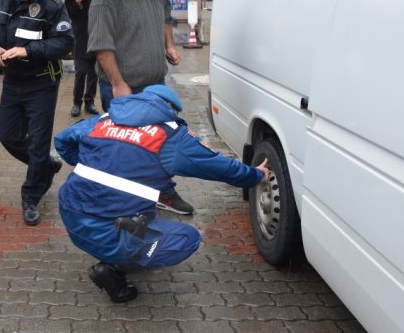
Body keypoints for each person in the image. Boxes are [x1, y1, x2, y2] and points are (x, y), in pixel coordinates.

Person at [54, 85, 269, 303]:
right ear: (168, 108)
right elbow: (219, 166)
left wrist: (91, 166)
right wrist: (255, 175)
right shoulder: (170, 135)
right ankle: (114, 268)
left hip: (70, 215)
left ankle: (119, 251)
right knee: (187, 239)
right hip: (108, 230)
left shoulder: (104, 120)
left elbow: (62, 140)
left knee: (146, 215)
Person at [87, 0, 192, 215]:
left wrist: (168, 44)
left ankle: (163, 192)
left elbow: (166, 17)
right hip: (124, 90)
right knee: (127, 151)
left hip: (156, 87)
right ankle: (126, 205)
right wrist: (120, 84)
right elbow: (101, 45)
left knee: (161, 142)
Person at [0, 0, 74, 226]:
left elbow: (65, 42)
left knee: (38, 141)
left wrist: (28, 50)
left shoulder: (51, 4)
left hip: (42, 81)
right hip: (12, 81)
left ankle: (31, 196)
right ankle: (45, 164)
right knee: (8, 137)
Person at [65, 0, 100, 117]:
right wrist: (75, 2)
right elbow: (68, 13)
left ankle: (89, 101)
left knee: (94, 73)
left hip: (97, 37)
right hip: (80, 38)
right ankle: (76, 103)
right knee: (81, 72)